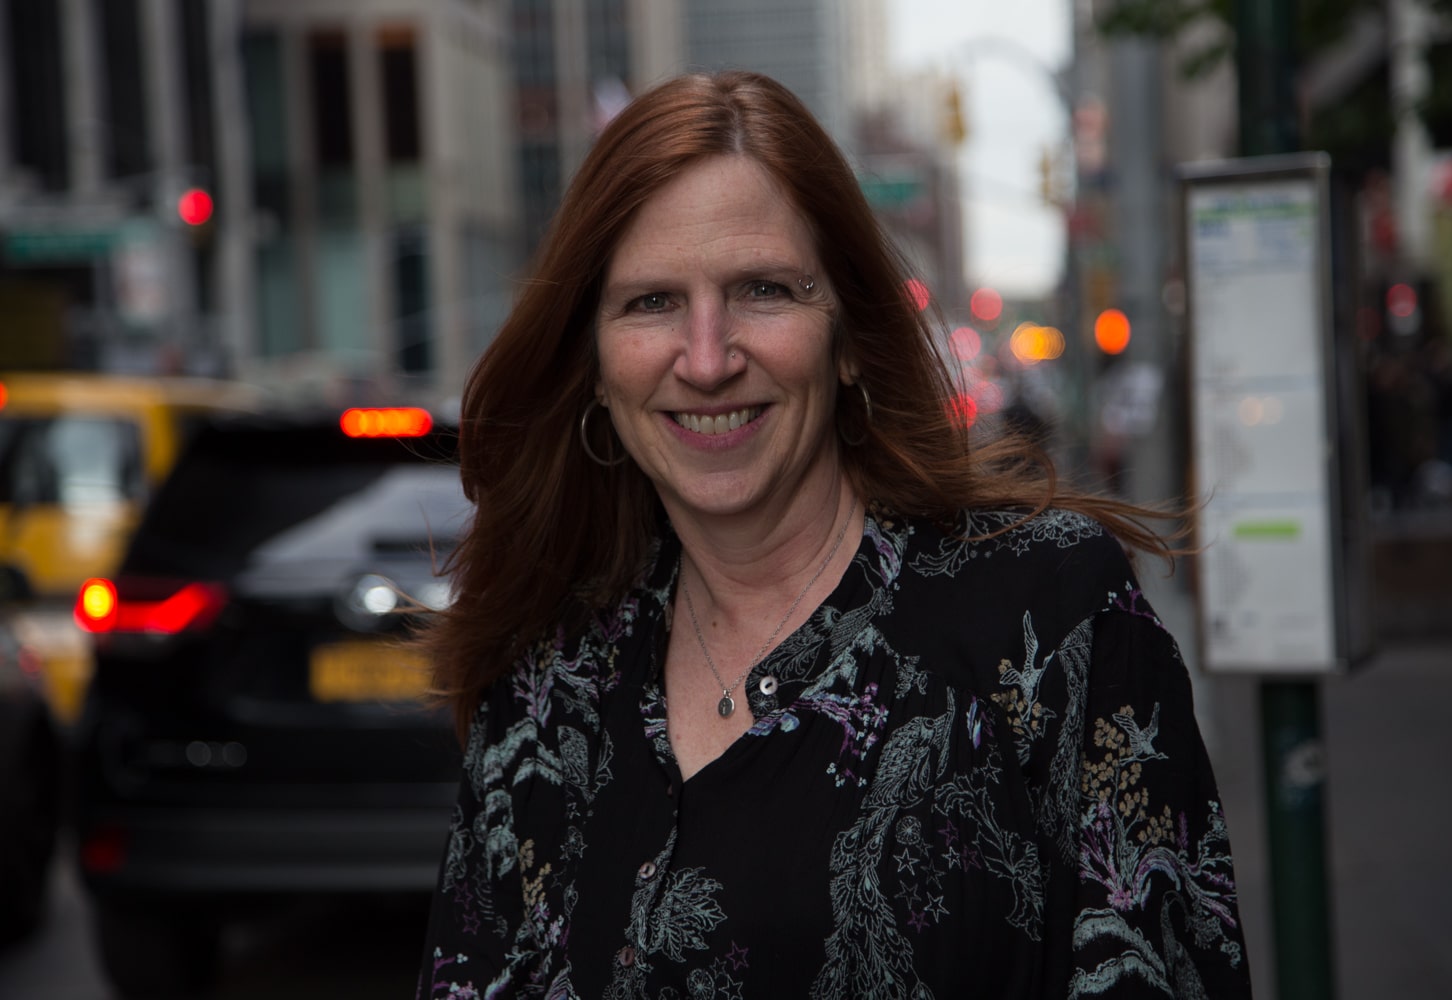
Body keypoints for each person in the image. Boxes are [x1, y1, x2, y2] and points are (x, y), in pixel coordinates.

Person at [416, 70, 1251, 999]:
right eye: (650, 302)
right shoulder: (546, 683)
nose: (706, 357)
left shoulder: (1049, 622)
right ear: (597, 366)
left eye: (762, 289)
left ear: (849, 335)